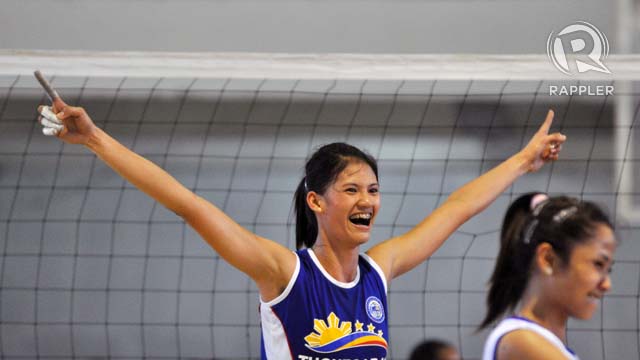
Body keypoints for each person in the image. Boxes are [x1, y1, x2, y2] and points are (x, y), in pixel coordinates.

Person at [37, 95, 564, 359]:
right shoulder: (283, 272)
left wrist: (523, 160)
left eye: (374, 191)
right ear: (316, 201)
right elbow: (189, 205)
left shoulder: (379, 272)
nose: (368, 202)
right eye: (353, 190)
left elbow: (456, 209)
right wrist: (96, 140)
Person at [479, 193, 617, 360]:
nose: (606, 284)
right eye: (598, 264)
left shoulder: (546, 343)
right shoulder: (522, 342)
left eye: (608, 270)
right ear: (548, 259)